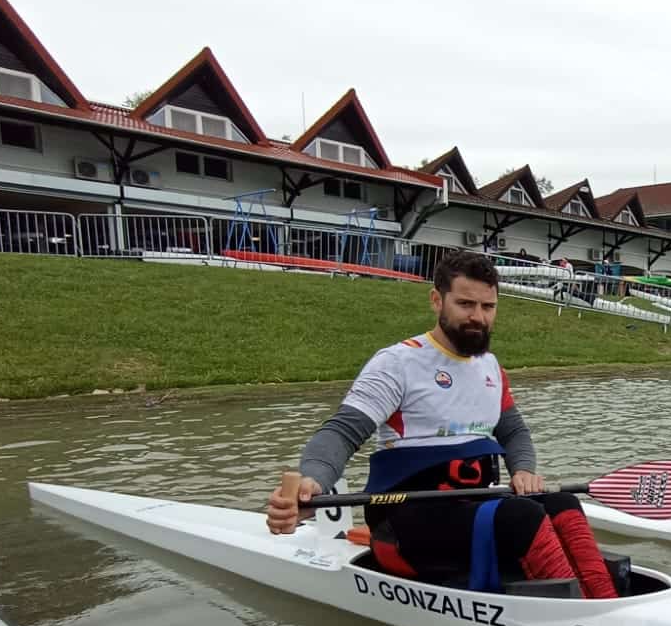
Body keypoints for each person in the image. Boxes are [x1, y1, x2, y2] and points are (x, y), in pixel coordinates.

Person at [264, 250, 617, 598]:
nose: (478, 317)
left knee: (562, 504)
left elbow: (513, 431)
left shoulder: (491, 367)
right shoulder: (398, 363)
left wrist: (523, 469)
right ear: (437, 300)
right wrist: (314, 482)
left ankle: (604, 600)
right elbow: (341, 433)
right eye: (465, 304)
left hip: (469, 506)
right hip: (403, 519)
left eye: (488, 307)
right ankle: (577, 615)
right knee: (521, 517)